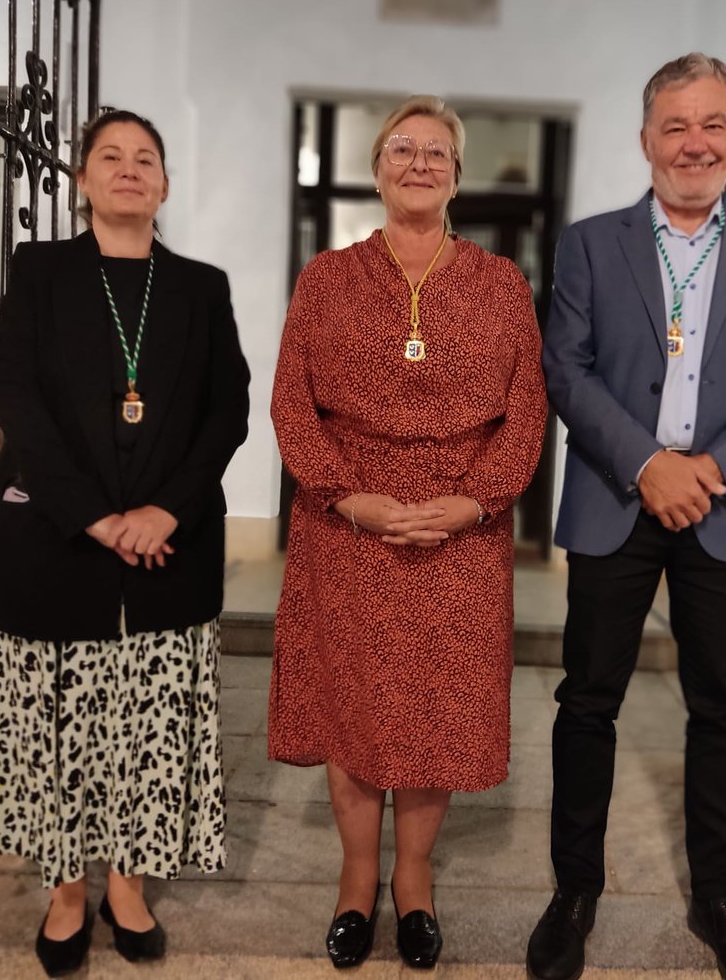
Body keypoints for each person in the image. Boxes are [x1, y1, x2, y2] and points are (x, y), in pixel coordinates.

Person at [527, 54, 726, 980]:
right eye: (676, 126)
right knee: (588, 702)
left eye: (712, 124)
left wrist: (711, 467)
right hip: (619, 498)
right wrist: (649, 464)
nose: (696, 143)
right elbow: (564, 368)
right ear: (646, 138)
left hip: (725, 508)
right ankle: (574, 892)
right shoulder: (590, 242)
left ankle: (717, 901)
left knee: (722, 710)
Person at [269, 94, 547, 970]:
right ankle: (357, 880)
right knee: (352, 703)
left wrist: (477, 501)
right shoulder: (326, 278)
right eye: (401, 148)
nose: (419, 162)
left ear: (457, 173)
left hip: (461, 536)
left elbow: (529, 411)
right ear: (379, 168)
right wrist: (347, 495)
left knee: (433, 713)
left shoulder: (502, 283)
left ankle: (413, 882)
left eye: (436, 151)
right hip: (346, 530)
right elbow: (290, 402)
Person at [0, 109, 250, 977]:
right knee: (56, 732)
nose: (130, 171)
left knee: (145, 727)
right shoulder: (42, 270)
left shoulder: (201, 285)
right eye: (110, 158)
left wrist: (166, 509)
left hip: (168, 552)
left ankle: (127, 885)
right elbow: (17, 396)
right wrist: (95, 516)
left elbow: (226, 410)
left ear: (164, 184)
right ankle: (64, 892)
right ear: (83, 180)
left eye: (146, 160)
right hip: (56, 545)